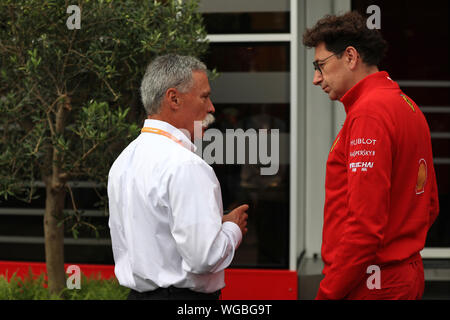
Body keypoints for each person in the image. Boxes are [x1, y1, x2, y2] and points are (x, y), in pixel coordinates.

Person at [302, 11, 439, 300]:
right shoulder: (406, 105)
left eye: (321, 65)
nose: (316, 78)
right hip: (398, 274)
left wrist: (327, 294)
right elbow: (430, 205)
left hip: (372, 282)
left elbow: (364, 228)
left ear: (350, 57)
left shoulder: (369, 113)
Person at [107, 54, 249, 300]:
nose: (211, 107)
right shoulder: (185, 165)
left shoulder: (123, 161)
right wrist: (232, 229)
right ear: (173, 98)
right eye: (204, 96)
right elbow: (204, 258)